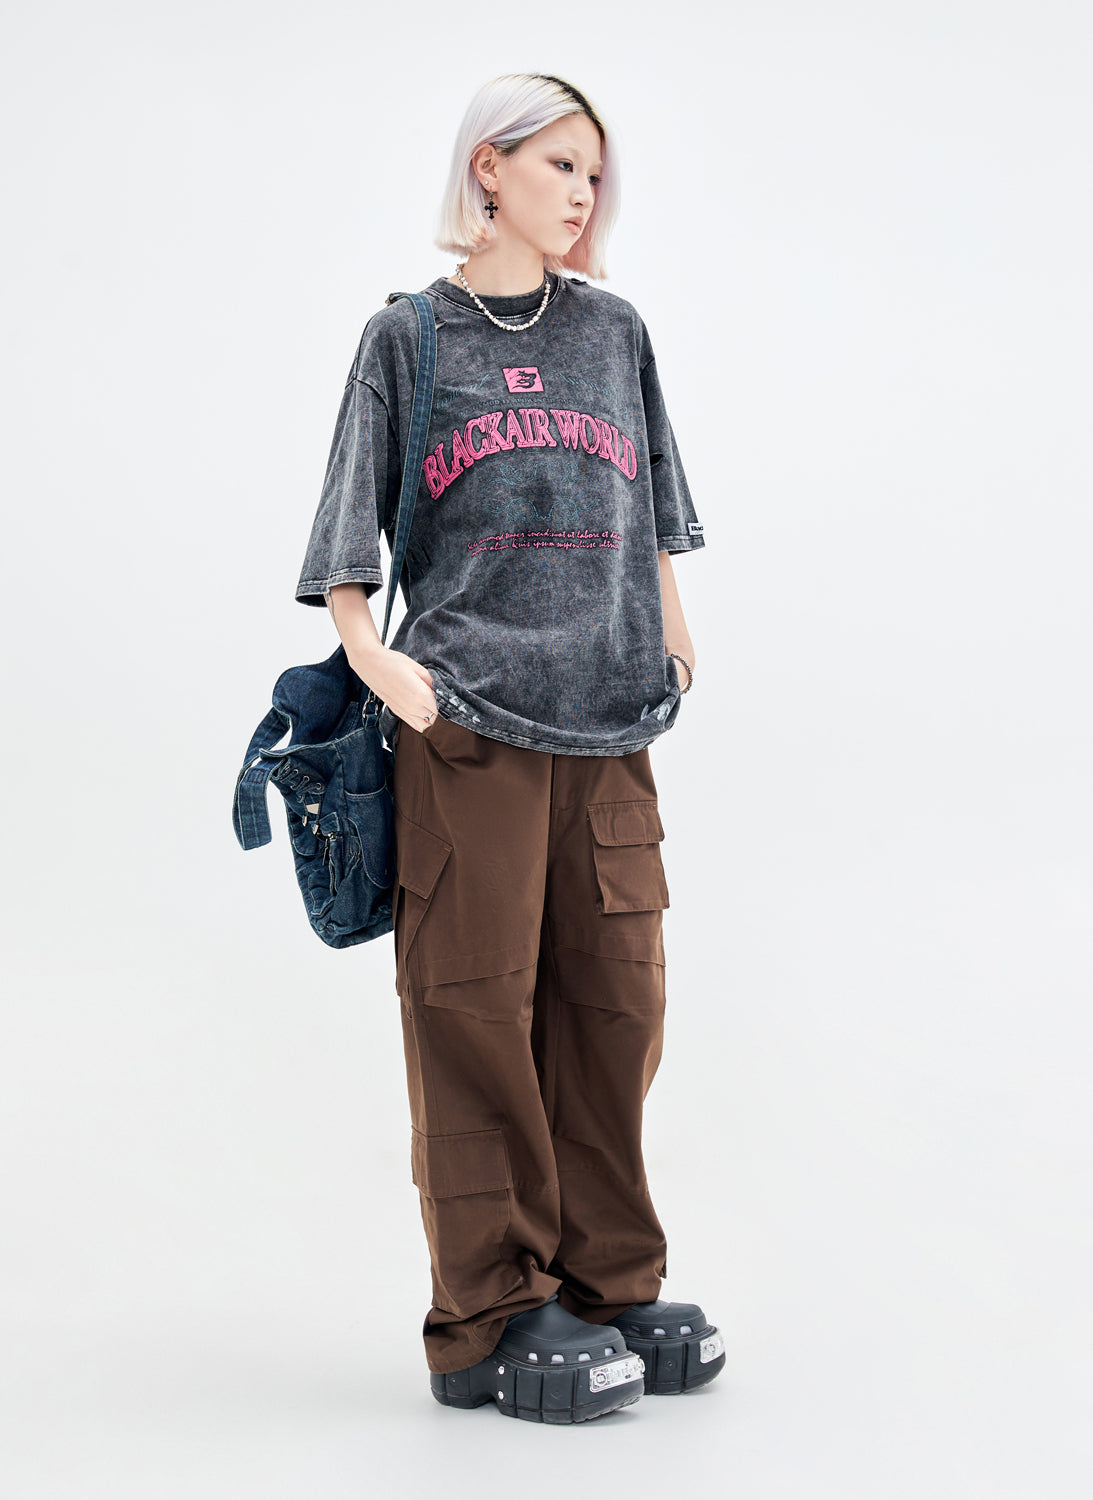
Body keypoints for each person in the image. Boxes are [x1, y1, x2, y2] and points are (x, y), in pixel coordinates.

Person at [294, 72, 724, 1424]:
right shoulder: (409, 338)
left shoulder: (614, 331)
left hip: (612, 722)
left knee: (615, 1006)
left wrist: (671, 635)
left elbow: (654, 507)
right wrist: (376, 661)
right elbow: (346, 534)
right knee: (474, 1012)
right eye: (559, 166)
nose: (583, 193)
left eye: (595, 173)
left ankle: (606, 1283)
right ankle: (488, 1315)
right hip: (468, 725)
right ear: (488, 168)